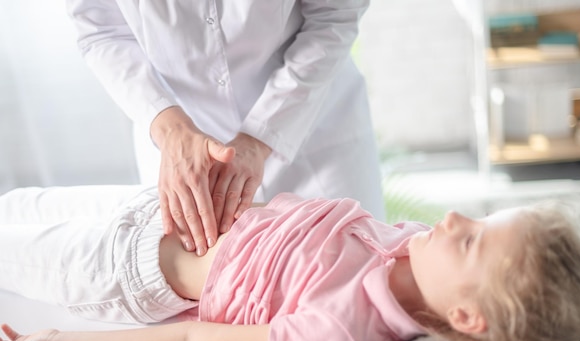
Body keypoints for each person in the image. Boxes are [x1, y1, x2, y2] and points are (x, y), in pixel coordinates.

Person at [0, 185, 580, 341]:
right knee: (13, 205)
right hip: (157, 205)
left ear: (465, 316)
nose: (458, 220)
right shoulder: (412, 243)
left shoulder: (342, 336)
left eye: (472, 244)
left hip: (127, 267)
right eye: (482, 222)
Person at [65, 1, 386, 259]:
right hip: (178, 146)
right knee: (210, 293)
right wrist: (170, 128)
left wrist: (262, 135)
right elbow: (100, 30)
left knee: (353, 268)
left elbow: (335, 15)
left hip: (312, 124)